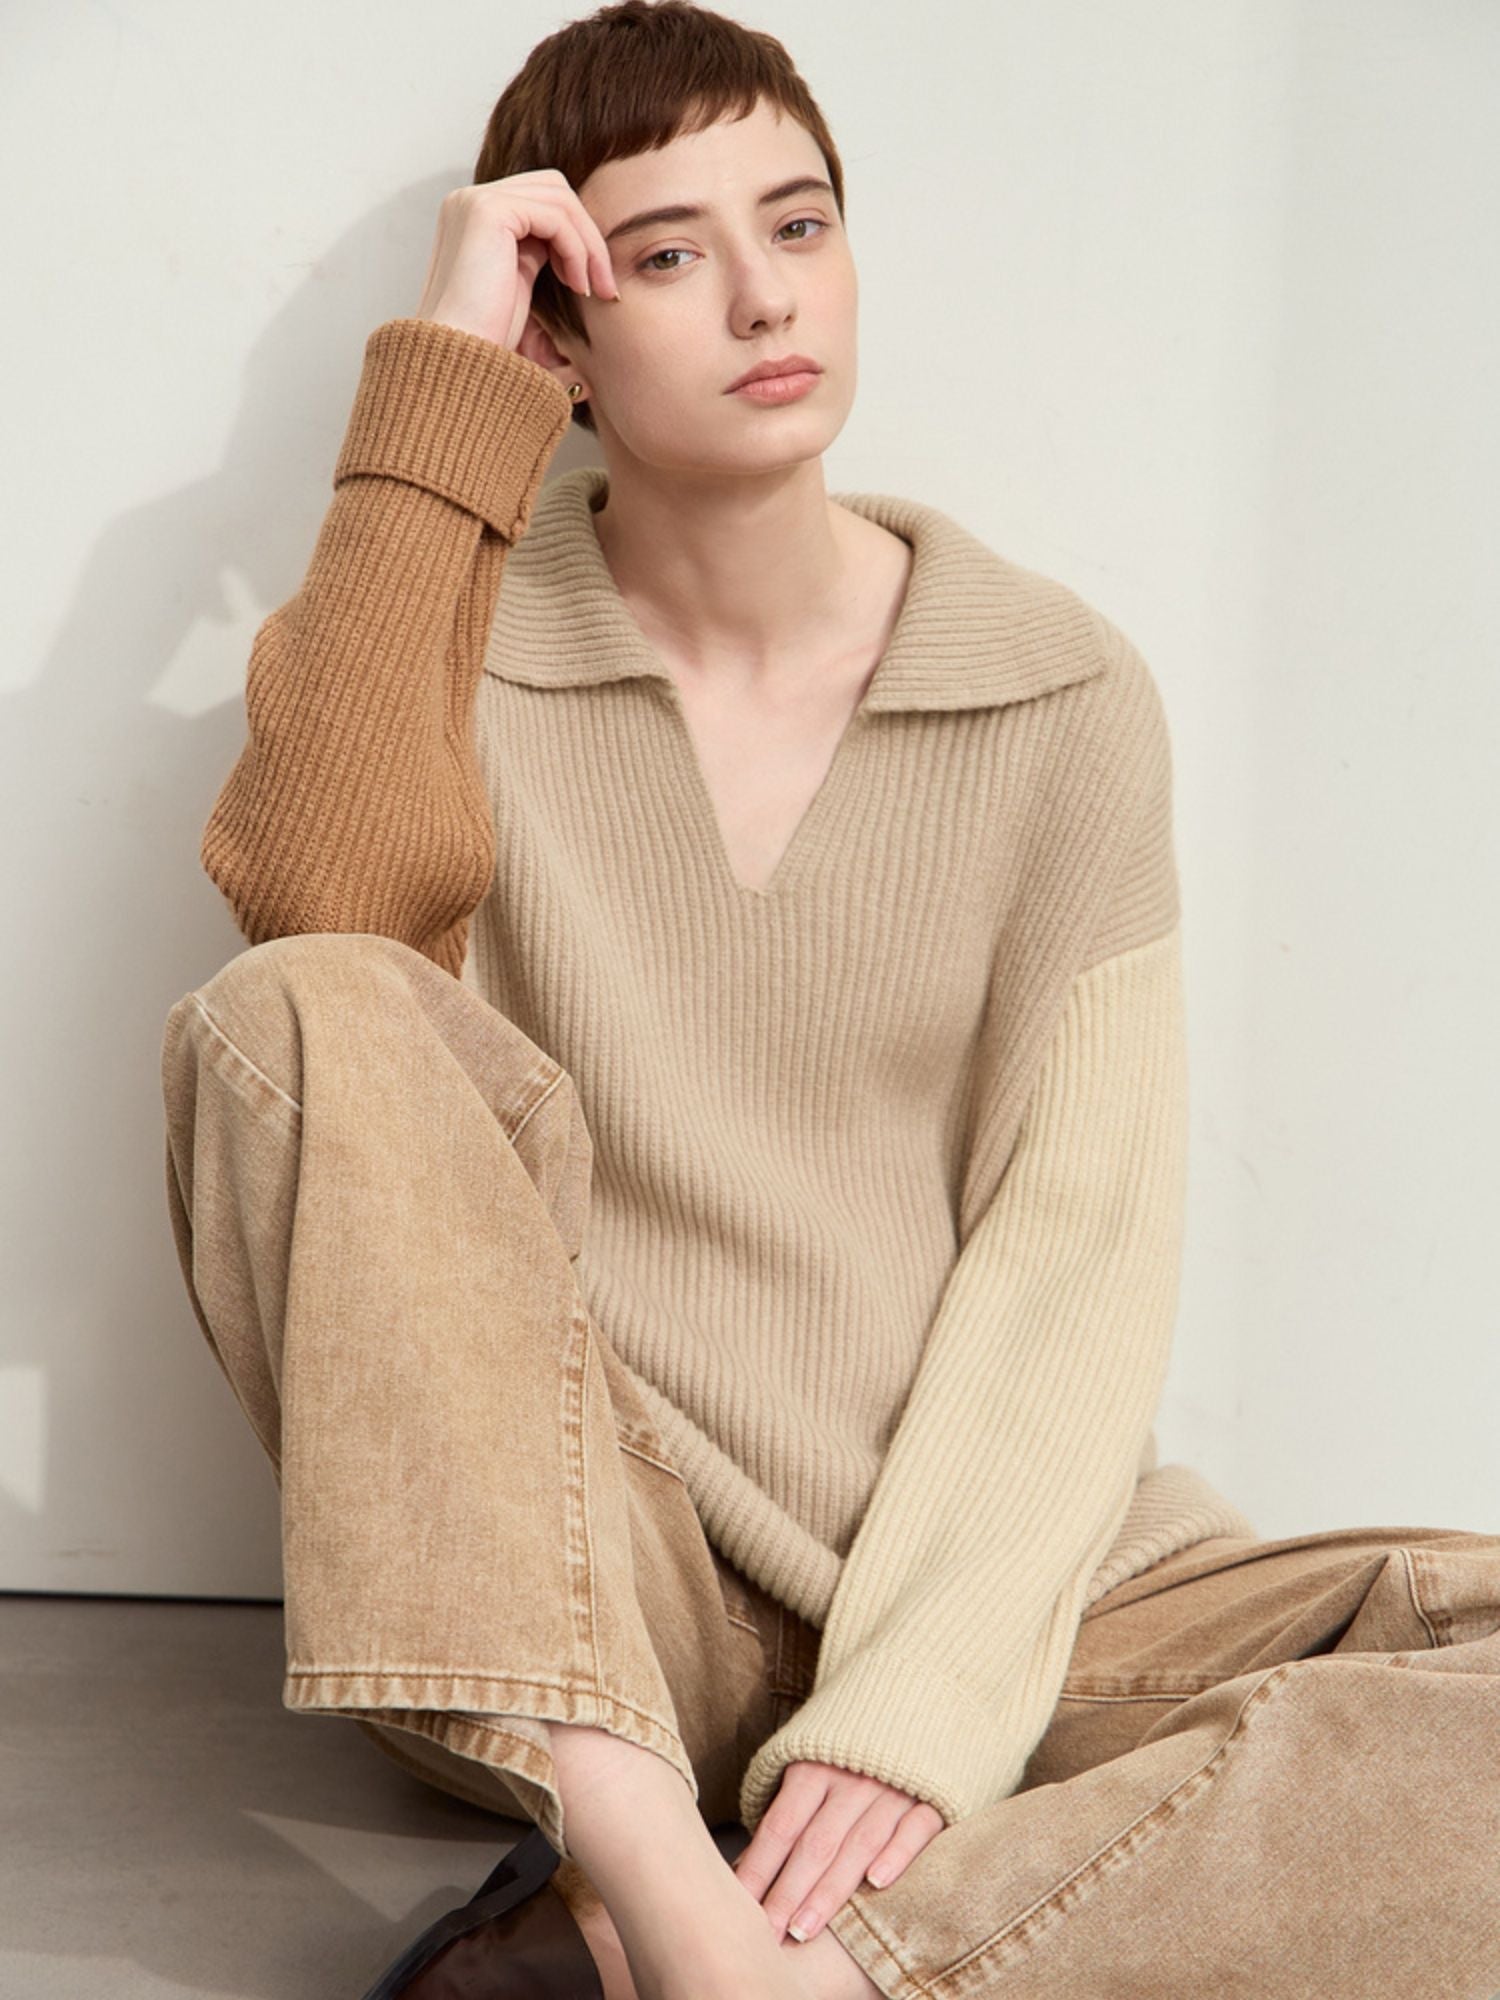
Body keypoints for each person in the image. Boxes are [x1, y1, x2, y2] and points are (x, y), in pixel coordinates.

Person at [158, 4, 1500, 1997]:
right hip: (592, 1593)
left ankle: (804, 1968)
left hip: (992, 1585)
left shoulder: (1058, 698)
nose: (764, 294)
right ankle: (655, 1864)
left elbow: (1078, 1245)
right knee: (295, 1010)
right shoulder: (452, 643)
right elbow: (317, 919)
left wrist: (925, 1706)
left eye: (801, 222)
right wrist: (445, 380)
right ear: (570, 337)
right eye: (670, 254)